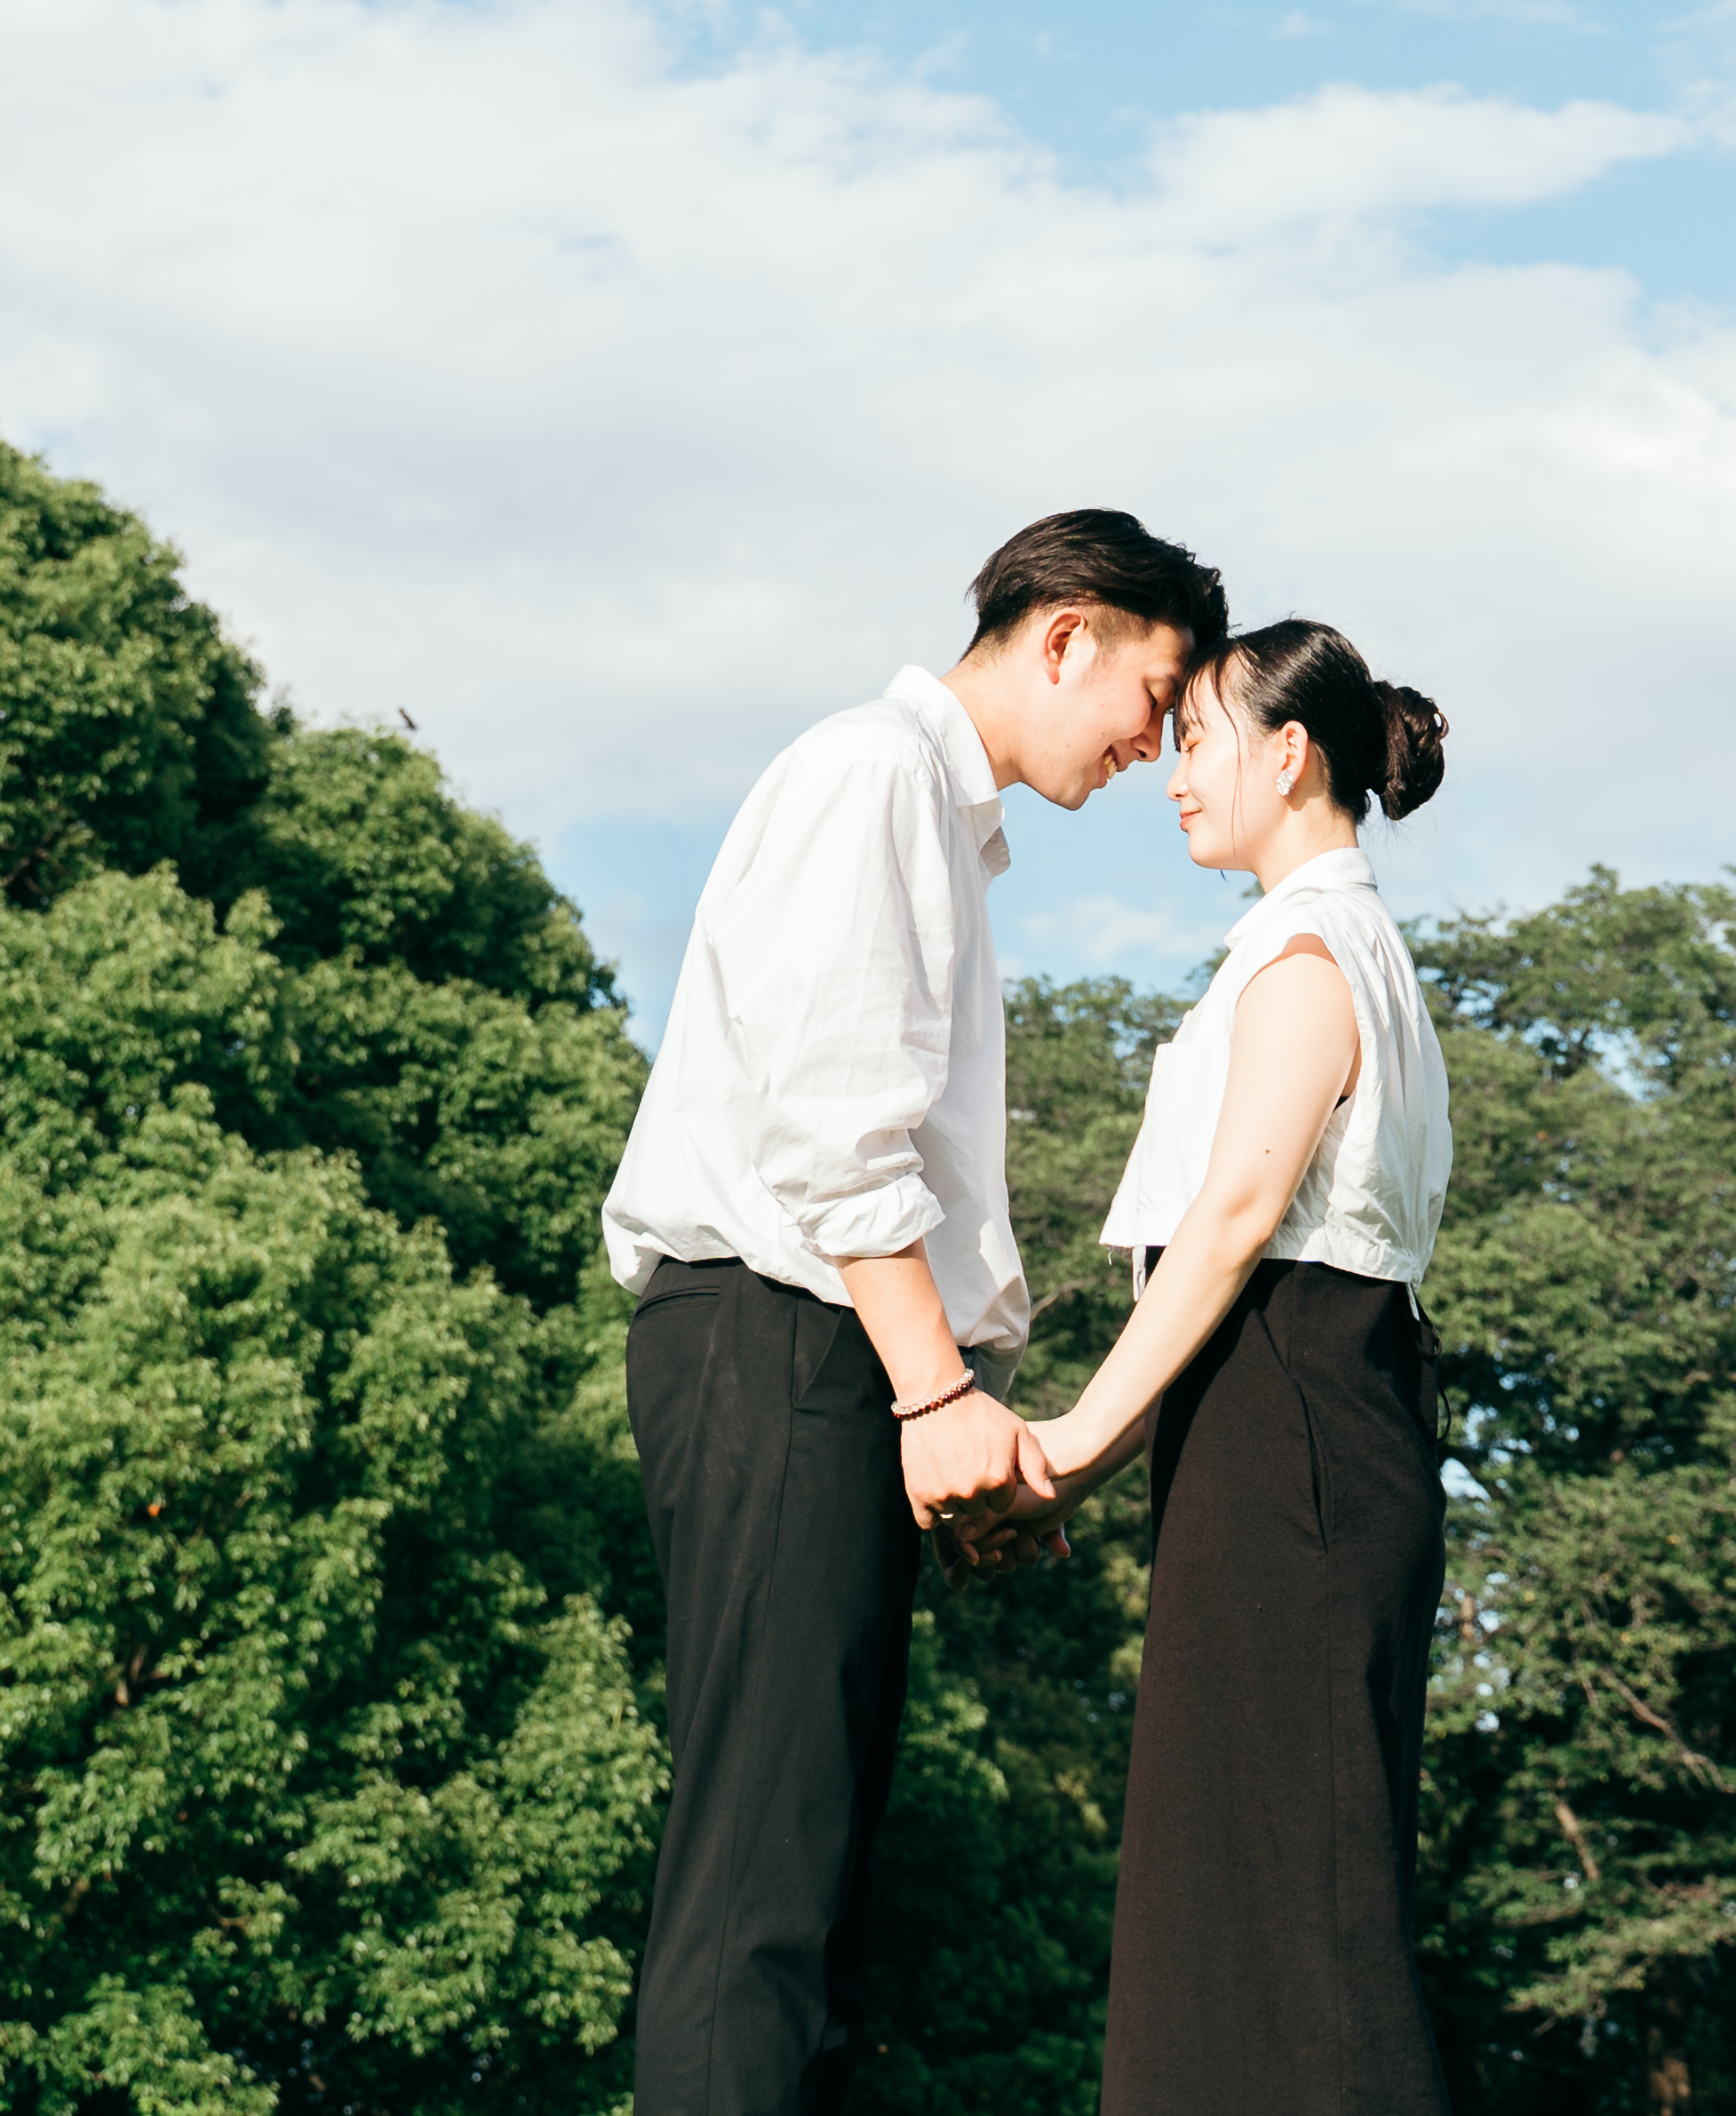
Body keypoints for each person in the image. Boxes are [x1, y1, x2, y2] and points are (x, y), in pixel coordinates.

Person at [604, 510, 1229, 2116]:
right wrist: (932, 1397)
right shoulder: (873, 774)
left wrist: (940, 1409)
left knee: (809, 1875)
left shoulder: (930, 815)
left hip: (822, 1354)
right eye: (1153, 692)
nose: (1152, 742)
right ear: (1064, 633)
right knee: (760, 1875)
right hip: (781, 1336)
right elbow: (836, 1130)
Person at [1022, 618, 1460, 2116]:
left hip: (1299, 1436)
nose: (1169, 774)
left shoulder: (1309, 950)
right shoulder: (1313, 943)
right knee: (1242, 1897)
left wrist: (1075, 1437)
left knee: (1298, 1915)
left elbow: (1230, 1223)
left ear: (1290, 754)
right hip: (1283, 1431)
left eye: (1196, 740)